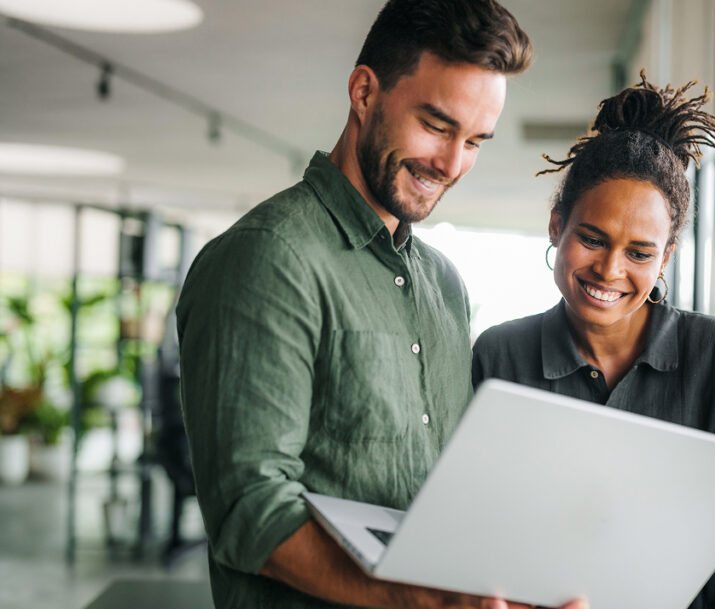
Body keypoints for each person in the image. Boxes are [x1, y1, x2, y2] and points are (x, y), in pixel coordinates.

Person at [177, 2, 585, 608]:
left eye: (475, 140)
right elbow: (248, 506)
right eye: (437, 125)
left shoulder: (444, 285)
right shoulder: (266, 258)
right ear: (365, 93)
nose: (451, 164)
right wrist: (423, 599)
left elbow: (444, 502)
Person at [472, 73, 715, 609]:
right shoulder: (499, 356)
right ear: (556, 226)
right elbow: (473, 534)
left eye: (640, 253)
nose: (609, 270)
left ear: (665, 257)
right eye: (592, 239)